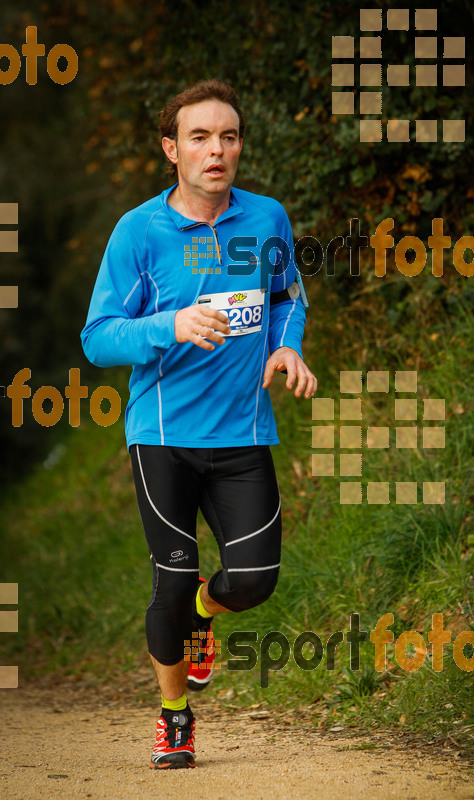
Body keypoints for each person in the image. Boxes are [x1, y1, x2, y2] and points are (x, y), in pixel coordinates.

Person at [81, 78, 317, 769]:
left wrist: (287, 343)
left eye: (228, 135)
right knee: (172, 579)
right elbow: (98, 338)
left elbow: (286, 296)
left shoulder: (266, 218)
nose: (216, 149)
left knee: (252, 580)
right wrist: (169, 324)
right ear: (170, 149)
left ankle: (204, 626)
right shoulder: (139, 232)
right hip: (162, 437)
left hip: (242, 434)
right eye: (199, 136)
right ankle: (175, 717)